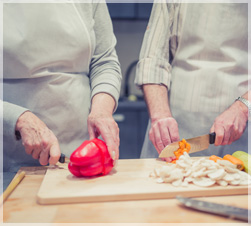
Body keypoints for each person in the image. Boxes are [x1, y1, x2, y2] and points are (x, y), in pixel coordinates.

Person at [3, 1, 122, 173]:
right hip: (6, 155)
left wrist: (101, 110)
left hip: (78, 151)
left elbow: (104, 61)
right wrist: (17, 119)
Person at [135, 2, 250, 160]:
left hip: (242, 130)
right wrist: (160, 116)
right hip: (174, 123)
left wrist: (243, 108)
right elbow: (152, 59)